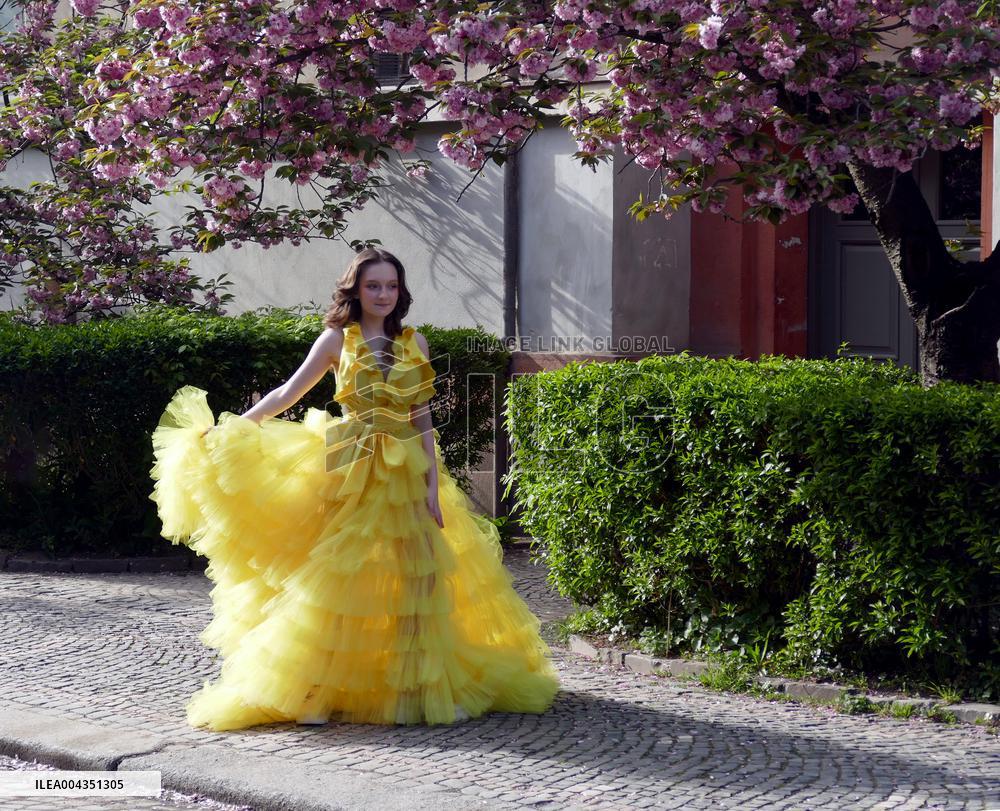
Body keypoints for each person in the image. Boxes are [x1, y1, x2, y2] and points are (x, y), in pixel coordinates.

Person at [149, 247, 560, 731]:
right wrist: (235, 426)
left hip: (405, 468)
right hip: (350, 463)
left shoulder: (415, 343)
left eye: (391, 286)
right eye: (373, 286)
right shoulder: (335, 341)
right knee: (342, 577)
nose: (383, 294)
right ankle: (317, 690)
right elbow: (287, 393)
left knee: (419, 577)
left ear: (400, 292)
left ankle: (420, 688)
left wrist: (433, 483)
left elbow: (422, 416)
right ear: (355, 290)